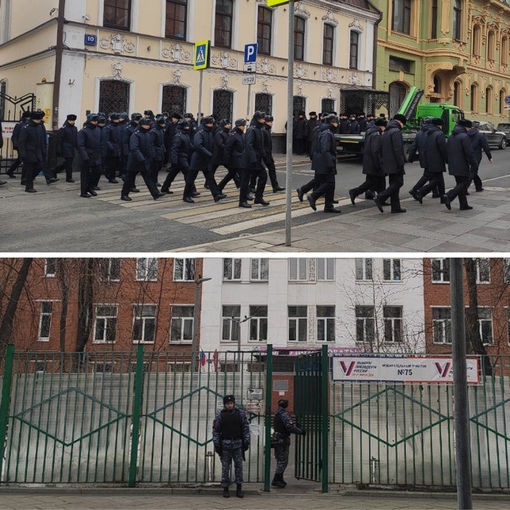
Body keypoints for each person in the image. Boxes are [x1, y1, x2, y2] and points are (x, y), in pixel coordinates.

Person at [212, 395, 250, 499]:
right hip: (225, 444)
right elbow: (216, 431)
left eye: (231, 403)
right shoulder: (220, 415)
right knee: (225, 468)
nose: (230, 405)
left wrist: (246, 442)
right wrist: (217, 445)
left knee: (238, 467)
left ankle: (239, 488)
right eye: (228, 404)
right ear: (225, 405)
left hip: (237, 444)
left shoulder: (240, 414)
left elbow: (245, 428)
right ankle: (225, 489)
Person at [121, 118, 165, 201]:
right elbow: (134, 148)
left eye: (149, 125)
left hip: (145, 160)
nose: (148, 126)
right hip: (135, 161)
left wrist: (152, 156)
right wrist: (141, 158)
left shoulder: (147, 134)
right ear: (141, 125)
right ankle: (124, 194)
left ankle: (155, 193)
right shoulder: (136, 134)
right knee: (129, 178)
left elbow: (150, 146)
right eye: (146, 125)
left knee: (149, 178)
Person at [184, 116, 225, 203]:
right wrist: (209, 154)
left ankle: (216, 194)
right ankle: (186, 195)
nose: (211, 125)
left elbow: (212, 144)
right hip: (198, 159)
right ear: (205, 124)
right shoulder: (200, 133)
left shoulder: (209, 133)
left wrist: (212, 154)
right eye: (209, 123)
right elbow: (198, 146)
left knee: (210, 178)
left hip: (206, 160)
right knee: (191, 179)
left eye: (212, 123)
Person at [348, 117, 387, 205]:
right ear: (382, 126)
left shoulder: (370, 132)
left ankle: (381, 199)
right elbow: (375, 150)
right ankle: (354, 192)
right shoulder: (377, 135)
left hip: (369, 161)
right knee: (372, 181)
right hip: (374, 162)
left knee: (380, 181)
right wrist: (379, 163)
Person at [373, 113, 407, 213]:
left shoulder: (387, 131)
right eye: (403, 124)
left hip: (388, 163)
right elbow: (398, 149)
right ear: (400, 122)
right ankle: (380, 197)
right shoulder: (396, 132)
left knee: (394, 184)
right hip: (395, 163)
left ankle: (395, 207)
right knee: (399, 183)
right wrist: (401, 163)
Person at [306, 114, 341, 213]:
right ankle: (313, 196)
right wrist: (330, 164)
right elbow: (325, 150)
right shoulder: (327, 133)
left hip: (326, 161)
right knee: (330, 183)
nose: (337, 124)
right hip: (326, 162)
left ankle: (328, 205)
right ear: (332, 122)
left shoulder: (326, 131)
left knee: (328, 183)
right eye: (336, 122)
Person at [443, 119, 478, 211]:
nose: (469, 129)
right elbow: (469, 153)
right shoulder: (464, 137)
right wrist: (474, 164)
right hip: (462, 164)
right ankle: (449, 195)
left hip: (452, 164)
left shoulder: (451, 137)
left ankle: (463, 204)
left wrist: (449, 162)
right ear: (465, 127)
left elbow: (446, 151)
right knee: (464, 183)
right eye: (469, 128)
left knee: (460, 183)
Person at [412, 118, 448, 204]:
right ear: (439, 125)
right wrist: (447, 160)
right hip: (437, 160)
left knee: (438, 179)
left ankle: (442, 197)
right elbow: (443, 149)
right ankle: (422, 192)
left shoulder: (427, 133)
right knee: (438, 180)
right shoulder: (439, 134)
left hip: (429, 159)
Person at [271, 399, 305, 489]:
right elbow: (289, 427)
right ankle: (276, 479)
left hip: (277, 439)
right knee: (282, 461)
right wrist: (300, 431)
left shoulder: (277, 413)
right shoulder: (284, 414)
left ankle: (280, 479)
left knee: (280, 460)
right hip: (282, 440)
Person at [241, 111, 269, 206]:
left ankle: (258, 197)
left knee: (263, 176)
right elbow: (249, 145)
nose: (264, 121)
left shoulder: (260, 129)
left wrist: (264, 157)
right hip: (249, 159)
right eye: (262, 119)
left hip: (257, 158)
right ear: (257, 119)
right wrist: (253, 159)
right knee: (245, 180)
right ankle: (242, 200)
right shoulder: (252, 129)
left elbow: (261, 146)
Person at [17, 110, 48, 193]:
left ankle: (27, 179)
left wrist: (44, 151)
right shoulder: (26, 128)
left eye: (39, 120)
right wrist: (22, 154)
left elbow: (42, 141)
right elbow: (21, 142)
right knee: (29, 170)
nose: (38, 121)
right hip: (29, 152)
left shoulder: (39, 127)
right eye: (37, 120)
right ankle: (29, 187)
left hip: (38, 152)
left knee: (39, 166)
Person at [161, 118, 193, 194]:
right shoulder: (178, 136)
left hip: (183, 157)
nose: (188, 127)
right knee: (188, 173)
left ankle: (164, 188)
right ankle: (191, 190)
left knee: (172, 174)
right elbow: (174, 148)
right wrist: (174, 160)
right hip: (180, 158)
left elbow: (189, 145)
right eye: (186, 126)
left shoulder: (184, 134)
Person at [77, 113, 103, 198]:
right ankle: (83, 191)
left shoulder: (98, 130)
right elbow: (80, 145)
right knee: (85, 175)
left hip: (96, 155)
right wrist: (85, 156)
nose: (95, 122)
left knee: (97, 171)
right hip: (87, 156)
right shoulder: (83, 131)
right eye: (93, 121)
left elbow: (101, 142)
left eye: (96, 121)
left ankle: (90, 187)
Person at [467, 120, 492, 192]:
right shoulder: (480, 135)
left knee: (473, 171)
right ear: (478, 127)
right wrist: (489, 157)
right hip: (476, 155)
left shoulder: (466, 134)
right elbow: (486, 147)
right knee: (473, 171)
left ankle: (478, 186)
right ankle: (465, 187)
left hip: (467, 154)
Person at [6, 110, 32, 178]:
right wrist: (16, 145)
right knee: (22, 159)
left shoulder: (26, 123)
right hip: (20, 145)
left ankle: (10, 171)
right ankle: (24, 175)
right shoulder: (20, 124)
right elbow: (15, 135)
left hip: (24, 144)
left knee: (20, 159)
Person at [262, 115, 284, 193]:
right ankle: (251, 186)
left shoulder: (267, 130)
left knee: (272, 170)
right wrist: (264, 154)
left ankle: (275, 186)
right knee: (257, 172)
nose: (271, 124)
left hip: (268, 154)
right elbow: (263, 144)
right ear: (266, 122)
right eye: (270, 122)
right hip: (264, 155)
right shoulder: (264, 130)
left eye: (272, 122)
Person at [53, 114, 78, 183]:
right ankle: (69, 177)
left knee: (67, 163)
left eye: (73, 120)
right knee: (68, 164)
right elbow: (59, 140)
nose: (72, 122)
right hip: (66, 148)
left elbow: (76, 139)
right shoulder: (63, 129)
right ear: (68, 120)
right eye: (71, 120)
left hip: (72, 148)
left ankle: (54, 171)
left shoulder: (75, 128)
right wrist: (59, 149)